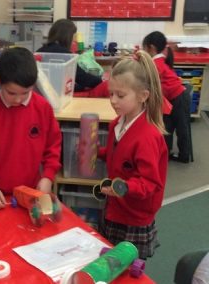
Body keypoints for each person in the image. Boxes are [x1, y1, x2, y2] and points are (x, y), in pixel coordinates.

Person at [0, 47, 62, 210]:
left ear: (33, 85)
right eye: (11, 93)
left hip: (31, 193)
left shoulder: (43, 108)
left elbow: (53, 147)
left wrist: (48, 176)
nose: (18, 99)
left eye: (25, 93)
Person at [98, 50, 168, 259]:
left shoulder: (147, 136)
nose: (113, 100)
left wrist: (122, 186)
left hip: (133, 216)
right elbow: (117, 153)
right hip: (115, 207)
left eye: (120, 95)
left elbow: (150, 183)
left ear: (143, 96)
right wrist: (97, 153)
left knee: (128, 268)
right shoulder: (116, 125)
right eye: (111, 93)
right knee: (110, 261)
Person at [143, 31, 191, 163]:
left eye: (144, 48)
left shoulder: (156, 63)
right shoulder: (159, 60)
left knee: (181, 128)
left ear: (151, 48)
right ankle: (166, 151)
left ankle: (184, 156)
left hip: (179, 97)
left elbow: (152, 81)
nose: (144, 51)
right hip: (171, 98)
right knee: (167, 126)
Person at [36, 19, 102, 92]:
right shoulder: (65, 54)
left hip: (42, 93)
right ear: (67, 37)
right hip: (59, 95)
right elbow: (82, 78)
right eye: (73, 37)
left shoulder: (39, 51)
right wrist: (100, 81)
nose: (74, 41)